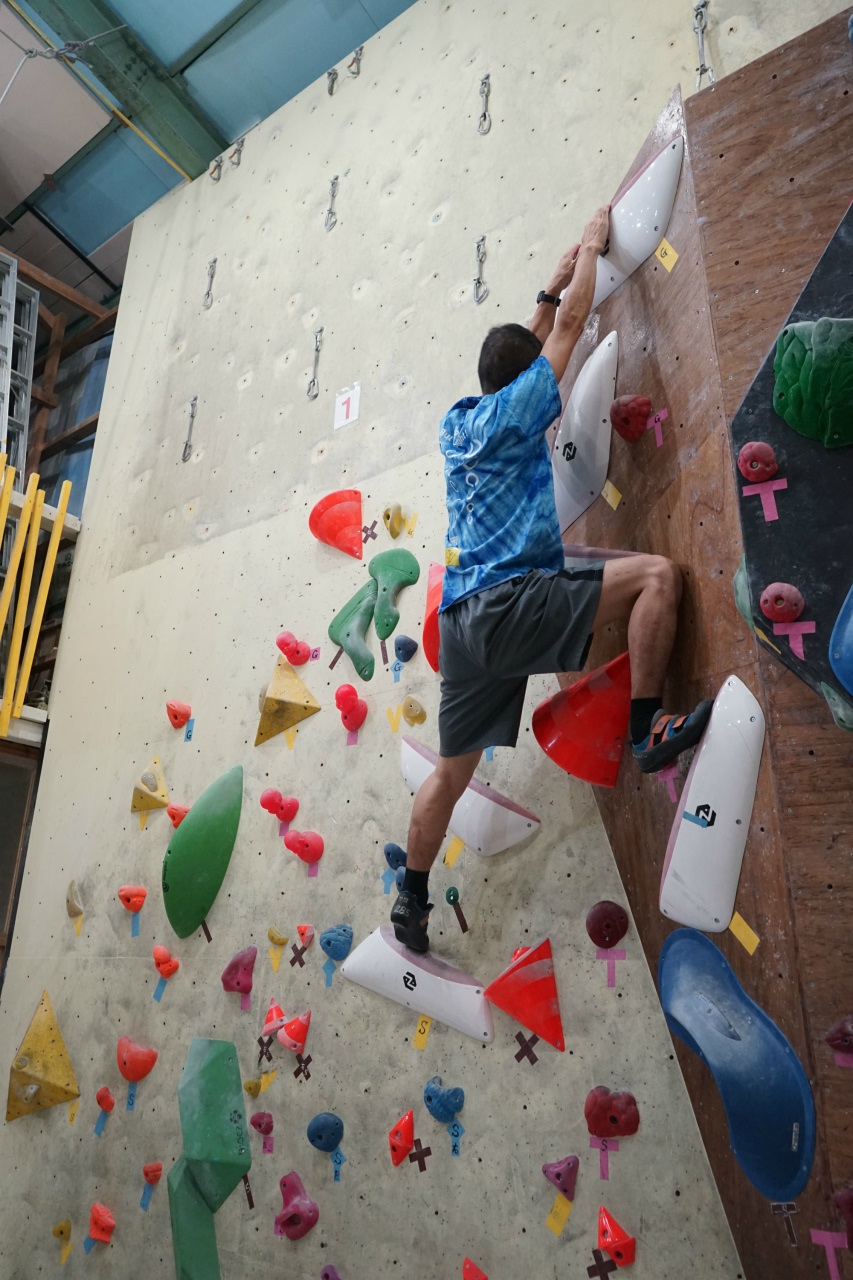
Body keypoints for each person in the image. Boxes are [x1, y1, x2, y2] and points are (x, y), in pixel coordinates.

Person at [390, 204, 712, 953]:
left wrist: (548, 284)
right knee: (658, 577)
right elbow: (567, 329)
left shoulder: (460, 423)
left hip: (462, 625)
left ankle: (411, 897)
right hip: (508, 604)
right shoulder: (521, 408)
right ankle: (648, 727)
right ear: (525, 381)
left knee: (450, 772)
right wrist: (592, 249)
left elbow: (533, 342)